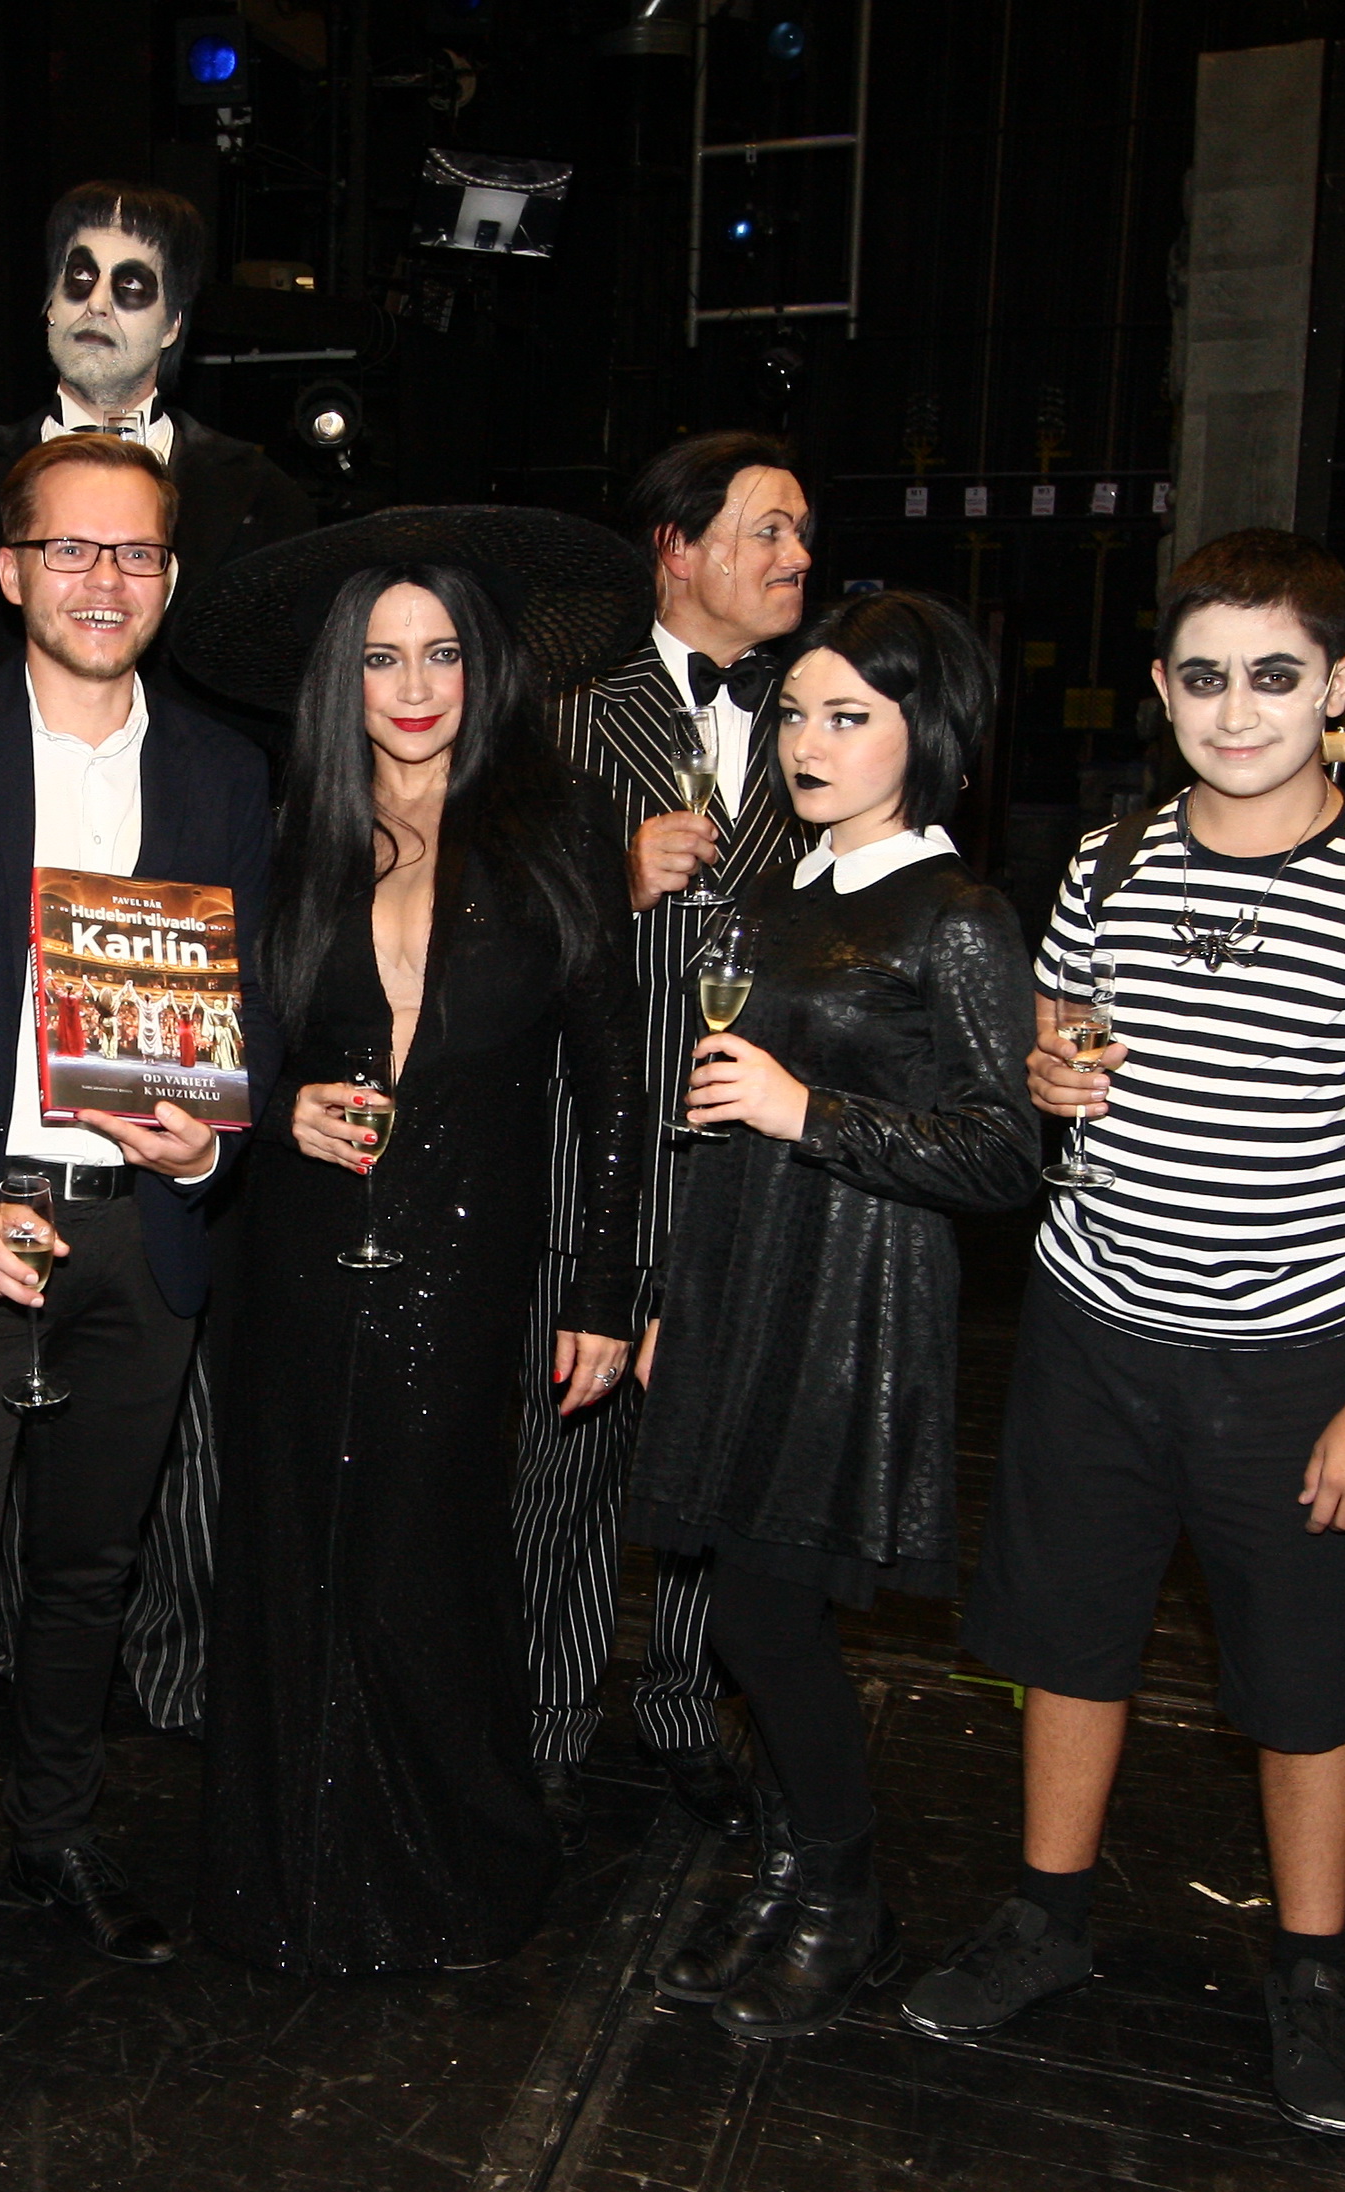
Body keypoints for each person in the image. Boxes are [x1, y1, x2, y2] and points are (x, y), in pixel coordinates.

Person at [902, 529, 1345, 2139]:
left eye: (1276, 676)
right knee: (1067, 1643)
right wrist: (1049, 1072)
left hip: (1300, 1358)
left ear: (1340, 684)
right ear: (1164, 691)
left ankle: (1313, 1965)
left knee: (1305, 1681)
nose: (1241, 710)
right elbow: (1057, 1048)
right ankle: (1046, 1915)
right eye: (1210, 678)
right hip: (1096, 1329)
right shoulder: (1107, 866)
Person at [0, 431, 275, 2118]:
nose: (106, 580)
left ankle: (57, 1833)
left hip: (141, 1230)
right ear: (13, 569)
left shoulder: (224, 770)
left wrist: (209, 1145)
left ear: (171, 579)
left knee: (90, 1575)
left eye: (136, 552)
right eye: (73, 550)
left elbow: (250, 1004)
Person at [181, 508, 650, 1976]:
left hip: (464, 1260)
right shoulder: (282, 827)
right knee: (288, 1544)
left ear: (482, 665)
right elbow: (205, 1050)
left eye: (440, 652)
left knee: (424, 1556)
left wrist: (605, 1283)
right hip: (292, 1253)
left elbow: (616, 1079)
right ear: (343, 675)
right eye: (382, 657)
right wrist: (273, 1110)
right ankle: (287, 1878)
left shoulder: (558, 824)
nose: (413, 686)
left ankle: (446, 1869)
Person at [625, 590, 1037, 2039]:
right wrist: (676, 1294)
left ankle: (843, 1895)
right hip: (744, 1278)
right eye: (796, 713)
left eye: (848, 716)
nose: (807, 742)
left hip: (854, 1300)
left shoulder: (959, 917)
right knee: (749, 1616)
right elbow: (723, 1110)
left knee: (766, 1617)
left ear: (928, 730)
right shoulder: (778, 895)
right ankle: (798, 1873)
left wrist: (807, 1111)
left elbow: (1002, 1154)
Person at [529, 432, 818, 1851]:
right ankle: (543, 1714)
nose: (795, 558)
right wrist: (609, 876)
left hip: (749, 1163)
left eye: (803, 533)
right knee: (566, 1457)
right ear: (677, 548)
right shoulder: (561, 719)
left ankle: (688, 1706)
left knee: (717, 1454)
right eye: (767, 530)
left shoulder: (826, 718)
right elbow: (477, 924)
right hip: (589, 1146)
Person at [0, 181, 315, 709]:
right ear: (50, 305)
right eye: (80, 278)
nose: (96, 304)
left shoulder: (266, 505)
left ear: (172, 324)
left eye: (130, 285)